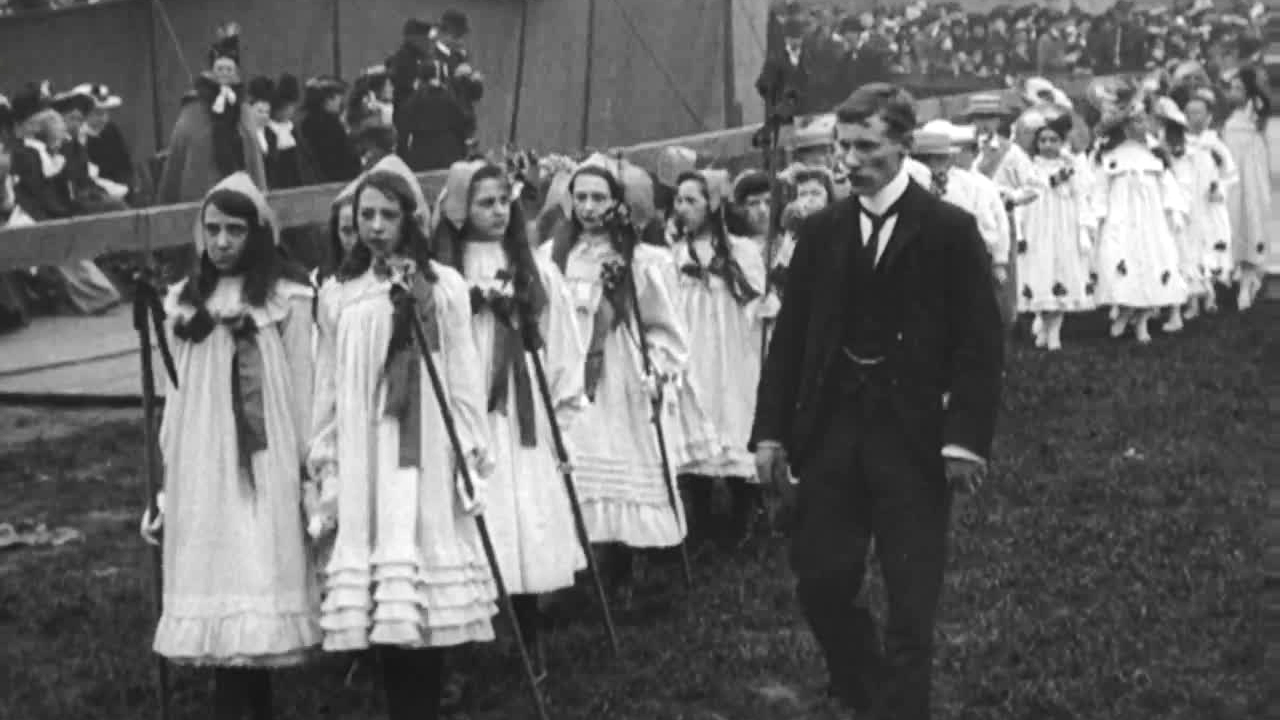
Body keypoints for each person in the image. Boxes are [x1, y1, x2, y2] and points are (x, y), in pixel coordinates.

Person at [751, 83, 1003, 719]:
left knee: (911, 602)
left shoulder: (949, 230)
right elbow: (791, 341)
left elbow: (980, 344)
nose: (849, 159)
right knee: (822, 582)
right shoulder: (823, 231)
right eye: (843, 146)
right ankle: (868, 689)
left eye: (866, 146)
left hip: (915, 442)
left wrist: (964, 439)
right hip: (833, 435)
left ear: (904, 145)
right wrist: (771, 432)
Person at [307, 161, 498, 720]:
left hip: (426, 451)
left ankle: (426, 698)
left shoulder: (441, 287)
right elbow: (327, 383)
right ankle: (398, 702)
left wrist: (470, 447)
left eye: (388, 215)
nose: (375, 226)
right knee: (380, 582)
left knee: (423, 568)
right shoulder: (339, 296)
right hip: (368, 451)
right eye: (365, 215)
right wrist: (326, 451)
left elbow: (462, 373)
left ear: (410, 220)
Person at [140, 172, 319, 720]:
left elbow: (304, 385)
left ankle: (254, 701)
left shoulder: (288, 298)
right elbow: (175, 395)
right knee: (214, 563)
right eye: (212, 230)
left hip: (267, 456)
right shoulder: (182, 302)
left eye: (234, 231)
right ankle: (230, 700)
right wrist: (167, 479)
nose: (220, 242)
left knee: (257, 561)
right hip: (202, 458)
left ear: (257, 234)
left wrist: (311, 468)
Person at [431, 160, 587, 679]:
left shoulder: (531, 267)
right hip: (467, 393)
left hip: (519, 403)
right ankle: (463, 644)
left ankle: (528, 629)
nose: (498, 212)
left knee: (521, 506)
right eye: (484, 203)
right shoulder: (443, 274)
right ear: (459, 211)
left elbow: (557, 330)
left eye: (504, 202)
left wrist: (564, 400)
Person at [540, 164, 700, 596]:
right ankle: (578, 569)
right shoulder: (552, 258)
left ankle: (622, 569)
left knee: (617, 451)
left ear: (617, 204)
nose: (589, 207)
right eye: (581, 198)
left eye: (599, 198)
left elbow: (665, 326)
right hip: (569, 372)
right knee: (576, 459)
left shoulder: (643, 261)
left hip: (620, 373)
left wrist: (660, 368)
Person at [669, 169, 767, 548]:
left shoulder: (740, 250)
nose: (683, 208)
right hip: (694, 343)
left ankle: (743, 514)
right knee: (699, 410)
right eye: (678, 200)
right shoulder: (675, 254)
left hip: (732, 346)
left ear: (712, 205)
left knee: (735, 412)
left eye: (691, 200)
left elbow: (755, 297)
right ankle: (702, 517)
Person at [1220, 66, 1271, 310]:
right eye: (1233, 88)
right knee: (1232, 218)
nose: (1233, 92)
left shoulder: (1253, 113)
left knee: (1250, 217)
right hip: (1232, 176)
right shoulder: (1230, 119)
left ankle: (1249, 276)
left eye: (1239, 88)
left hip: (1248, 175)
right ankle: (1240, 269)